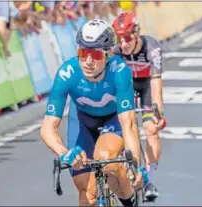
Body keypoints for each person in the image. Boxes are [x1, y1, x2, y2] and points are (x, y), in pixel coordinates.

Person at [40, 19, 149, 206]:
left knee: (106, 159)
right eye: (83, 53)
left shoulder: (119, 71)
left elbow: (129, 124)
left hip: (113, 119)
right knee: (87, 196)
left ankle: (129, 199)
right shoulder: (67, 73)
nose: (88, 61)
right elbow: (47, 128)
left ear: (107, 55)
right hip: (82, 120)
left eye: (96, 55)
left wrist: (135, 165)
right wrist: (64, 153)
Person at [112, 12, 167, 202]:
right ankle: (128, 168)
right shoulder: (116, 50)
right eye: (119, 39)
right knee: (128, 126)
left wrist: (158, 112)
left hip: (145, 86)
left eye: (127, 38)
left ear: (137, 33)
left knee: (151, 128)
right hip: (125, 85)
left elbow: (156, 84)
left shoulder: (152, 47)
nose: (123, 43)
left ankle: (149, 179)